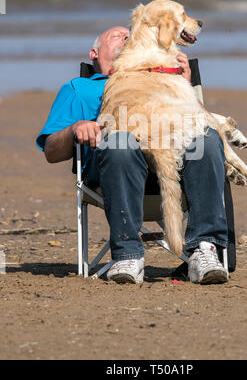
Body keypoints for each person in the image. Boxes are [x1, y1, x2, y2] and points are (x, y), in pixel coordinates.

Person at [36, 26, 229, 285]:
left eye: (132, 36)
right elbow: (51, 151)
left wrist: (184, 86)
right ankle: (127, 254)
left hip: (178, 170)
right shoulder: (79, 88)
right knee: (120, 141)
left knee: (205, 138)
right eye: (117, 36)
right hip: (114, 171)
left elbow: (208, 125)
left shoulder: (163, 81)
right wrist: (74, 129)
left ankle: (204, 250)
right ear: (94, 53)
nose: (128, 38)